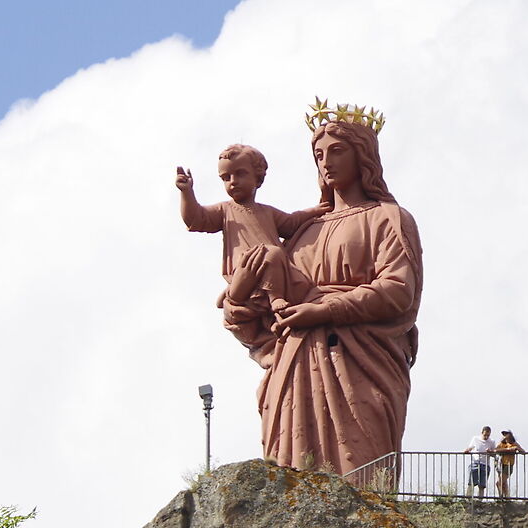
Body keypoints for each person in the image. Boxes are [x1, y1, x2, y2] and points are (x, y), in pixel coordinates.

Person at [208, 115, 423, 475]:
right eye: (319, 154)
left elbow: (398, 290)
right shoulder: (301, 232)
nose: (326, 161)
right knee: (291, 480)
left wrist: (324, 310)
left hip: (360, 361)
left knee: (360, 473)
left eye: (337, 151)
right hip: (293, 366)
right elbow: (258, 319)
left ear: (363, 156)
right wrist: (238, 295)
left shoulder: (388, 218)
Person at [174, 145, 326, 321]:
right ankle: (275, 297)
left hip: (272, 265)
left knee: (277, 256)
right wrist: (187, 192)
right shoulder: (225, 210)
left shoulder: (267, 212)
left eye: (240, 174)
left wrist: (316, 210)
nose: (232, 181)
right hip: (245, 264)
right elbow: (195, 218)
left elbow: (291, 222)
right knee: (274, 252)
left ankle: (261, 294)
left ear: (258, 178)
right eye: (226, 178)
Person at [466, 425, 495, 496]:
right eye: (485, 435)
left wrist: (490, 452)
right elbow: (470, 448)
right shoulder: (475, 439)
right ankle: (468, 498)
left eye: (488, 435)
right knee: (471, 483)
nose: (486, 437)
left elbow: (494, 454)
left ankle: (479, 500)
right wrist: (467, 450)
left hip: (485, 465)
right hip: (475, 463)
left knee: (482, 485)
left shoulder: (492, 442)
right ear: (482, 433)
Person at [493, 429, 523, 498]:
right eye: (504, 434)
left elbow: (523, 452)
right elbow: (495, 450)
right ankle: (506, 497)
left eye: (506, 434)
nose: (505, 435)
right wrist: (507, 449)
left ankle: (501, 497)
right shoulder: (502, 444)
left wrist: (516, 448)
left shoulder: (514, 443)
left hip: (509, 465)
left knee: (499, 483)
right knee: (503, 483)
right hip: (501, 464)